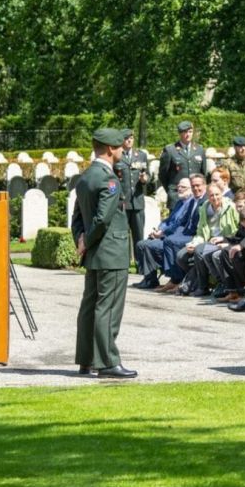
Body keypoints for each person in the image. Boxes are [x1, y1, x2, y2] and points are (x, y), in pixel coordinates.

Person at [70, 128, 137, 379]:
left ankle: (86, 359)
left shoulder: (86, 177)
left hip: (95, 253)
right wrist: (86, 239)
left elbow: (77, 217)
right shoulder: (109, 180)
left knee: (90, 306)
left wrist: (80, 238)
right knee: (107, 307)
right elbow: (102, 218)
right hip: (110, 251)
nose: (123, 150)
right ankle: (108, 362)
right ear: (110, 149)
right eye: (120, 147)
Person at [132, 179, 195, 289]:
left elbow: (179, 224)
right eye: (178, 187)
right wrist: (158, 229)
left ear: (191, 189)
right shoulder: (180, 202)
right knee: (141, 244)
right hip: (166, 234)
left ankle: (175, 279)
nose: (179, 189)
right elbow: (168, 220)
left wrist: (163, 233)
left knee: (149, 245)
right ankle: (149, 279)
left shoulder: (191, 203)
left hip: (176, 236)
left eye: (183, 187)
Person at [158, 121, 205, 207]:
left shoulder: (199, 149)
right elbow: (163, 174)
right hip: (177, 196)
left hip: (195, 195)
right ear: (180, 133)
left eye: (190, 132)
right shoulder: (170, 150)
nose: (188, 134)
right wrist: (171, 190)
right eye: (185, 132)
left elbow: (203, 173)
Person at [116, 129, 149, 247]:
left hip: (137, 201)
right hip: (123, 202)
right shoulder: (117, 156)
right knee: (122, 235)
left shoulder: (141, 155)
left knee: (139, 236)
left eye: (131, 138)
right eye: (126, 138)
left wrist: (145, 179)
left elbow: (147, 174)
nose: (129, 140)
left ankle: (140, 264)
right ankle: (123, 263)